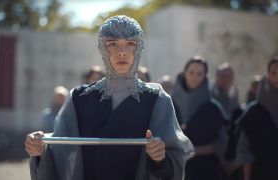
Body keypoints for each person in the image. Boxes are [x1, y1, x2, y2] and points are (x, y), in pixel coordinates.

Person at [25, 15, 194, 180]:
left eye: (130, 43)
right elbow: (59, 152)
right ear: (103, 48)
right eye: (113, 44)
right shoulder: (79, 98)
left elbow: (174, 159)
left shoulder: (157, 99)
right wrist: (40, 149)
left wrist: (160, 158)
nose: (122, 52)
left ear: (139, 47)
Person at [171, 56, 227, 180]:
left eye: (199, 74)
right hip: (175, 169)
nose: (194, 77)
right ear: (184, 73)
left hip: (205, 170)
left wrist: (195, 151)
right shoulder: (168, 104)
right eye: (191, 72)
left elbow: (222, 143)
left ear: (204, 77)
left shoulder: (213, 108)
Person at [235, 56, 278, 180]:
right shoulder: (254, 112)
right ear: (268, 75)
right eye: (273, 73)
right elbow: (244, 151)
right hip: (262, 173)